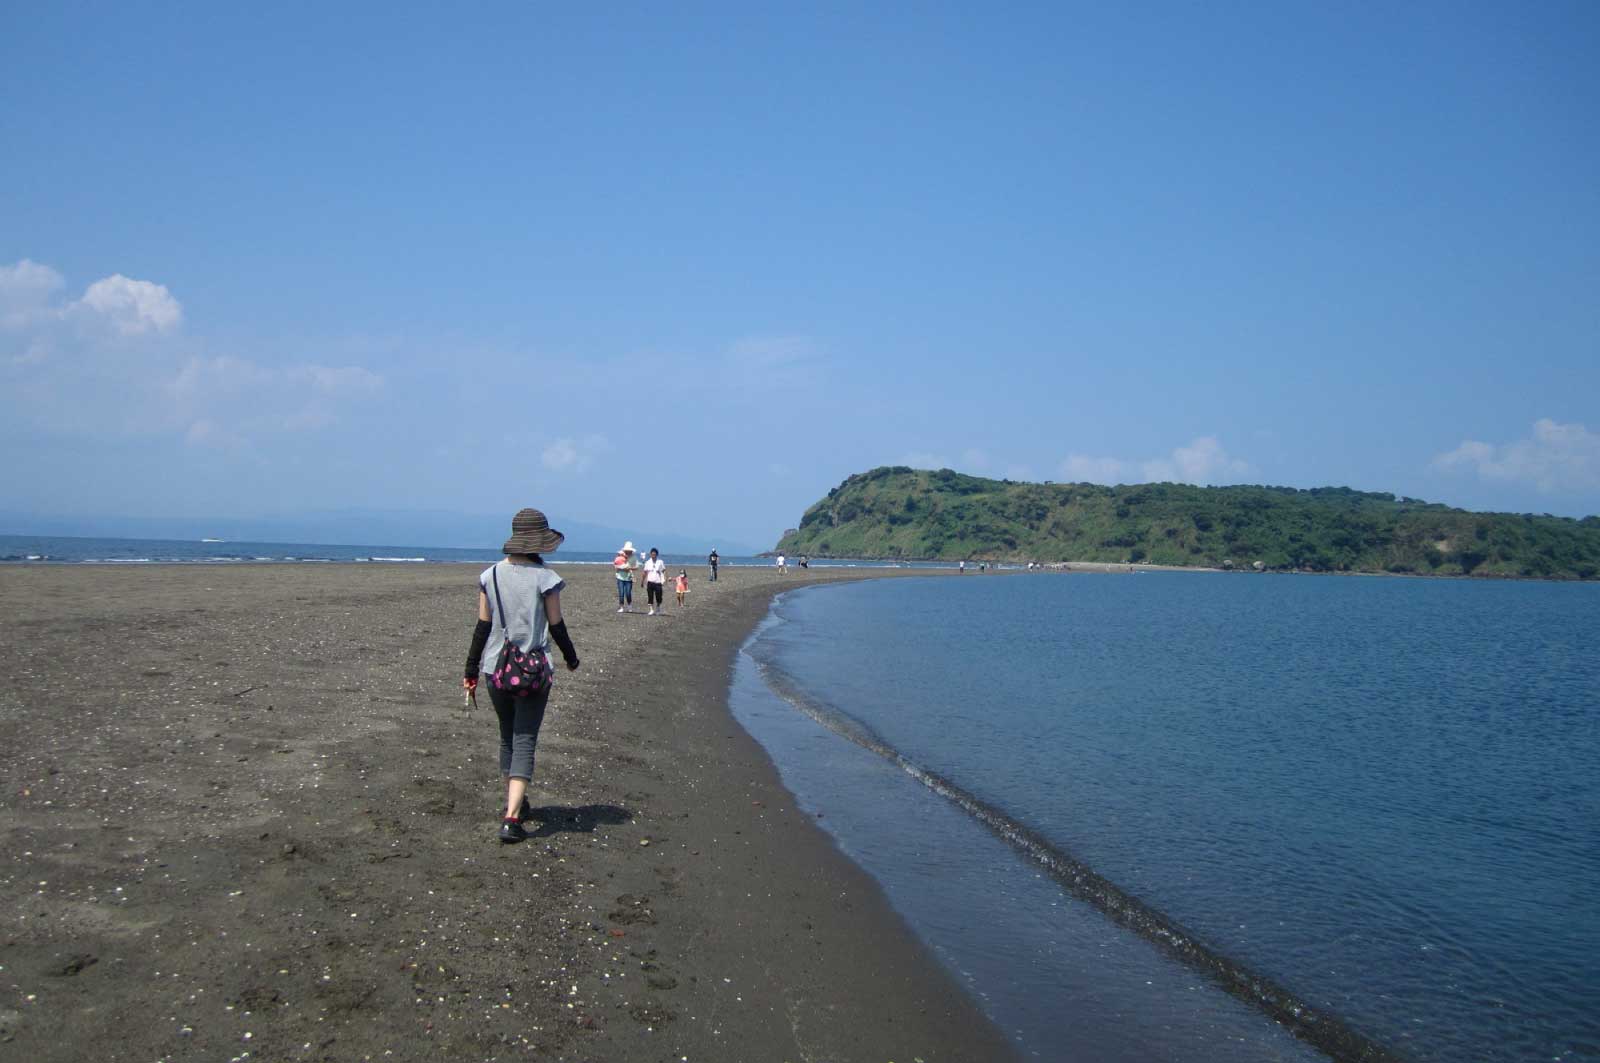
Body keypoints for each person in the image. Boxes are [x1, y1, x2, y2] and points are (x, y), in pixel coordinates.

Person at [462, 508, 580, 844]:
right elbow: (556, 626)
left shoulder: (490, 576)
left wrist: (470, 670)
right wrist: (571, 658)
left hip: (494, 670)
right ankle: (512, 817)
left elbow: (482, 627)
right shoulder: (547, 579)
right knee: (525, 738)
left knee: (507, 736)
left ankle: (517, 800)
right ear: (539, 543)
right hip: (532, 672)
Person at [612, 541, 637, 613]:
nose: (627, 552)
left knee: (628, 593)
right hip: (620, 577)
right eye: (626, 550)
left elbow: (636, 567)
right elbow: (615, 565)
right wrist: (619, 568)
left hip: (629, 578)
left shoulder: (633, 558)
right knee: (621, 593)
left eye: (629, 550)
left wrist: (629, 569)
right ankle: (621, 607)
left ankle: (629, 606)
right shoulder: (619, 556)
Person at [643, 547, 667, 615]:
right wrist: (642, 581)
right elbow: (645, 572)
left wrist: (664, 578)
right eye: (652, 554)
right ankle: (651, 610)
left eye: (655, 554)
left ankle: (658, 608)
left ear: (657, 555)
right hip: (650, 582)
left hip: (658, 582)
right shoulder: (648, 562)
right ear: (650, 554)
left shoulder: (660, 562)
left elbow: (664, 570)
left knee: (659, 596)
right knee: (650, 596)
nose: (653, 555)